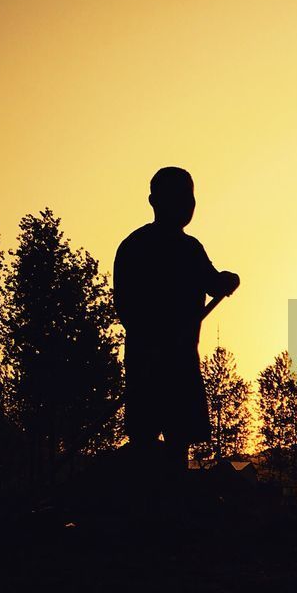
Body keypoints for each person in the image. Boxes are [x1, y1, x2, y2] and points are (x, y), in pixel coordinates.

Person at [114, 166, 240, 482]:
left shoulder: (190, 249)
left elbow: (213, 282)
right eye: (178, 197)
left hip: (181, 361)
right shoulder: (136, 247)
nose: (186, 204)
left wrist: (227, 280)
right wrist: (154, 341)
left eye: (189, 196)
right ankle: (145, 501)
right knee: (144, 436)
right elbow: (126, 307)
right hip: (148, 361)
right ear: (154, 201)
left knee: (177, 437)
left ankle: (173, 500)